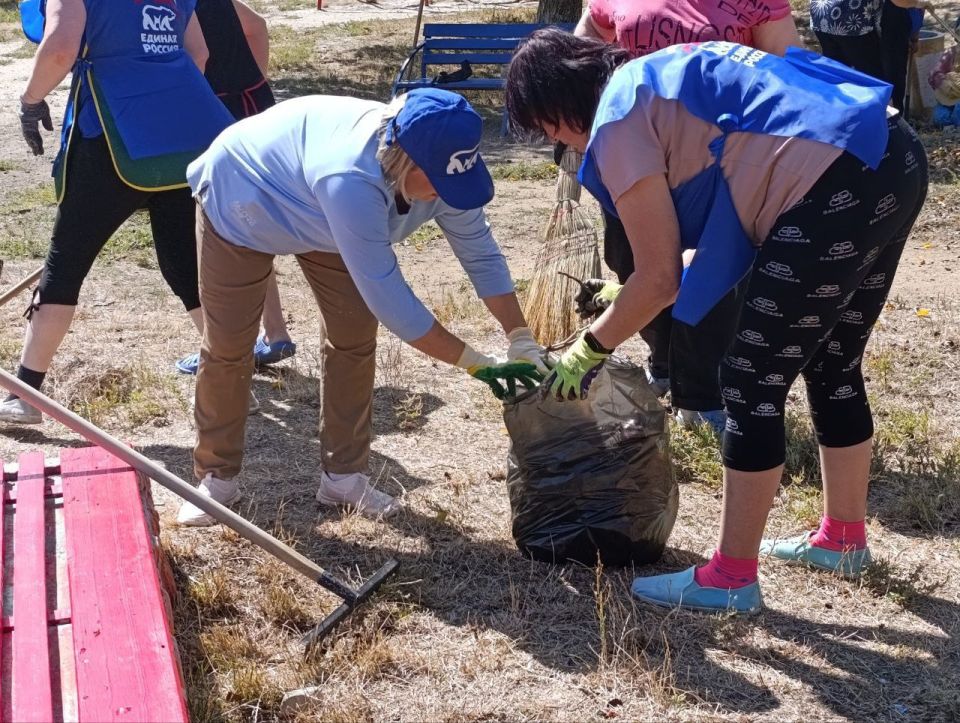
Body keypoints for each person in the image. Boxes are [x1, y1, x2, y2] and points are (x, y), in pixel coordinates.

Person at [505, 30, 927, 613]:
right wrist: (625, 292)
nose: (563, 144)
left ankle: (731, 578)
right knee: (832, 362)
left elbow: (659, 281)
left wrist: (589, 347)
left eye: (550, 130)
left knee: (750, 380)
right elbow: (736, 192)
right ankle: (844, 539)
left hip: (837, 183)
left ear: (559, 106)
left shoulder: (617, 120)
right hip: (888, 150)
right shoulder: (653, 78)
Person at [175, 88, 546, 526]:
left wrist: (520, 337)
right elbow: (391, 299)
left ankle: (343, 479)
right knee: (229, 344)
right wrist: (475, 363)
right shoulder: (350, 179)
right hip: (246, 198)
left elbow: (480, 254)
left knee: (353, 336)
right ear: (404, 161)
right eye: (439, 182)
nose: (447, 193)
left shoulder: (447, 170)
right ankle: (215, 480)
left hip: (322, 212)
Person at [571, 0, 802, 433]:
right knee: (632, 262)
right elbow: (579, 52)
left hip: (718, 163)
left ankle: (703, 394)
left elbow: (788, 69)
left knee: (708, 278)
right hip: (638, 152)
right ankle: (663, 364)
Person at [0, 0, 234, 425]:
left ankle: (26, 394)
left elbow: (59, 47)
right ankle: (234, 382)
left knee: (67, 260)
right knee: (186, 263)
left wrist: (30, 99)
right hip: (188, 130)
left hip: (110, 134)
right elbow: (197, 52)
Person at [174, 0, 297, 378]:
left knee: (212, 229)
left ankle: (226, 347)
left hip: (214, 113)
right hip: (251, 106)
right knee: (253, 219)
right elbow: (256, 25)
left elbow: (198, 55)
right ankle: (274, 333)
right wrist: (255, 82)